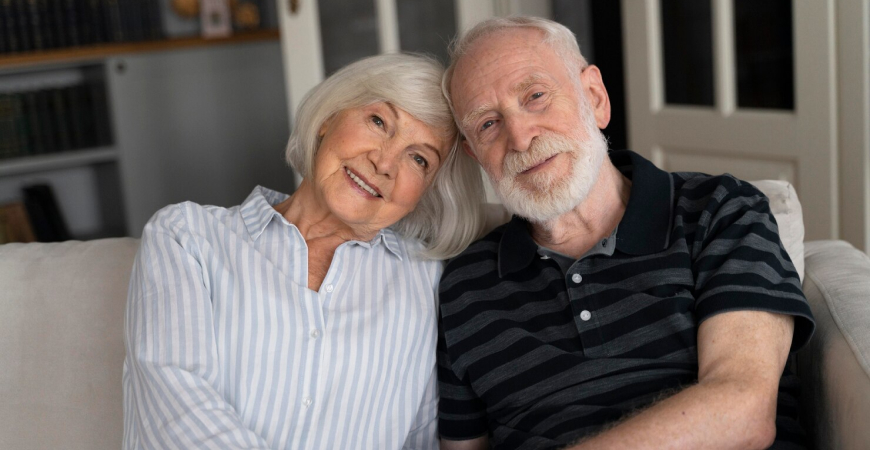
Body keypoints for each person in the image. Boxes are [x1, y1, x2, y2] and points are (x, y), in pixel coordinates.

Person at [437, 17, 815, 450]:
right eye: (488, 124)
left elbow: (742, 412)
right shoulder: (465, 288)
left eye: (536, 97)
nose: (520, 138)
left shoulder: (720, 211)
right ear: (474, 153)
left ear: (594, 98)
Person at [122, 53, 485, 449]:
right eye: (378, 122)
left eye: (419, 159)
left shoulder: (428, 279)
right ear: (328, 119)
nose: (384, 163)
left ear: (426, 192)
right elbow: (175, 401)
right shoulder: (186, 238)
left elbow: (423, 436)